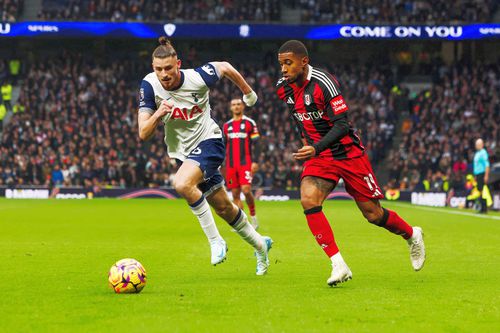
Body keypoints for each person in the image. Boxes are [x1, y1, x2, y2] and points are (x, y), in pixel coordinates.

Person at [275, 40, 425, 286]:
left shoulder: (324, 83)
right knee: (308, 199)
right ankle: (338, 264)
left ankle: (411, 234)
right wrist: (308, 143)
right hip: (321, 157)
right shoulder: (284, 88)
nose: (283, 69)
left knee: (373, 214)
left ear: (304, 62)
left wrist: (315, 146)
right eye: (281, 64)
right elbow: (298, 116)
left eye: (288, 63)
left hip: (348, 154)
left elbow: (343, 124)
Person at [137, 37, 273, 275]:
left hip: (209, 140)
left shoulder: (197, 78)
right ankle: (261, 246)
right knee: (224, 208)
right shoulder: (149, 86)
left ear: (178, 64)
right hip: (184, 152)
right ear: (153, 68)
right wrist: (158, 113)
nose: (164, 74)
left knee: (181, 183)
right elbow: (143, 132)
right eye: (158, 69)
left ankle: (215, 241)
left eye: (168, 68)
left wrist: (248, 93)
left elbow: (225, 67)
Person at [223, 98, 261, 229]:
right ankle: (243, 224)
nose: (236, 106)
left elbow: (257, 144)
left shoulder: (250, 123)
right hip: (231, 165)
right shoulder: (227, 126)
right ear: (230, 108)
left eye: (239, 104)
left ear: (243, 106)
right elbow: (223, 146)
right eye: (233, 104)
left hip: (245, 163)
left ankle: (254, 216)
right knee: (234, 194)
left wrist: (255, 161)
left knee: (246, 190)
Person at [473, 138, 490, 214]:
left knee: (481, 190)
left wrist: (486, 175)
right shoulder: (477, 153)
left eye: (478, 144)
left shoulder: (483, 152)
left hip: (482, 173)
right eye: (476, 144)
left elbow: (487, 165)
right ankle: (482, 207)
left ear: (481, 145)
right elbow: (476, 165)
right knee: (479, 190)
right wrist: (475, 175)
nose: (476, 146)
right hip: (478, 173)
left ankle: (484, 207)